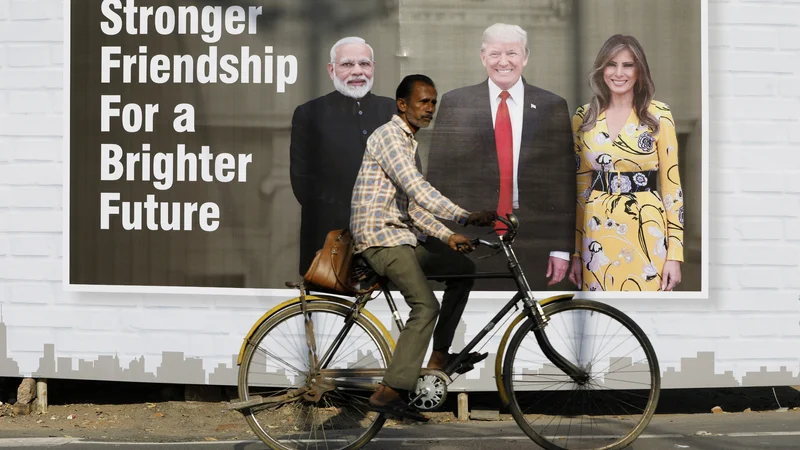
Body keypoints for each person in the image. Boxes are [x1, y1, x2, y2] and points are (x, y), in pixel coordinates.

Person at [350, 74, 497, 421]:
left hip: (401, 234)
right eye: (423, 102)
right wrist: (464, 216)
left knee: (464, 270)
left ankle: (439, 358)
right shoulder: (389, 136)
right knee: (425, 306)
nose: (430, 108)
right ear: (402, 105)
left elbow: (412, 208)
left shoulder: (408, 142)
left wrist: (447, 236)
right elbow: (418, 189)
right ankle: (389, 392)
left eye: (433, 102)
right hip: (380, 237)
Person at [426, 23, 576, 291]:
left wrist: (561, 249)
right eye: (495, 54)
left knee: (529, 324)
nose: (503, 62)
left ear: (525, 57)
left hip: (532, 238)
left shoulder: (552, 106)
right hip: (470, 237)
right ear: (482, 57)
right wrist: (441, 238)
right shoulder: (456, 103)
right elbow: (439, 177)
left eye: (512, 53)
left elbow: (563, 184)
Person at [568, 34, 684, 291]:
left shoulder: (659, 115)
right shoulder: (583, 117)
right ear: (601, 69)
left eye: (628, 65)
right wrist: (576, 253)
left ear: (639, 71)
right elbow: (579, 191)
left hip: (646, 227)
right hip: (596, 230)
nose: (618, 72)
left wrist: (674, 254)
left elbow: (671, 188)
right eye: (611, 64)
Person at [289, 37, 396, 276]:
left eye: (364, 64)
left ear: (373, 68)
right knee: (327, 308)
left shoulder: (391, 110)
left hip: (385, 237)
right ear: (331, 70)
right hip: (329, 240)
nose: (357, 71)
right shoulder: (309, 113)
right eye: (347, 64)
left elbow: (409, 173)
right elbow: (303, 183)